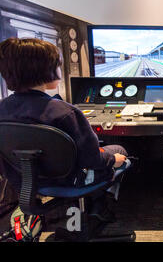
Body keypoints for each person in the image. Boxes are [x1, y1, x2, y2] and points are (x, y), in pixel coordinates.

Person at [0, 38, 128, 216]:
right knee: (118, 149)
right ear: (47, 71)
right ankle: (101, 203)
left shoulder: (2, 109)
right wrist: (114, 159)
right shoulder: (65, 113)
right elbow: (93, 160)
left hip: (26, 181)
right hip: (72, 181)